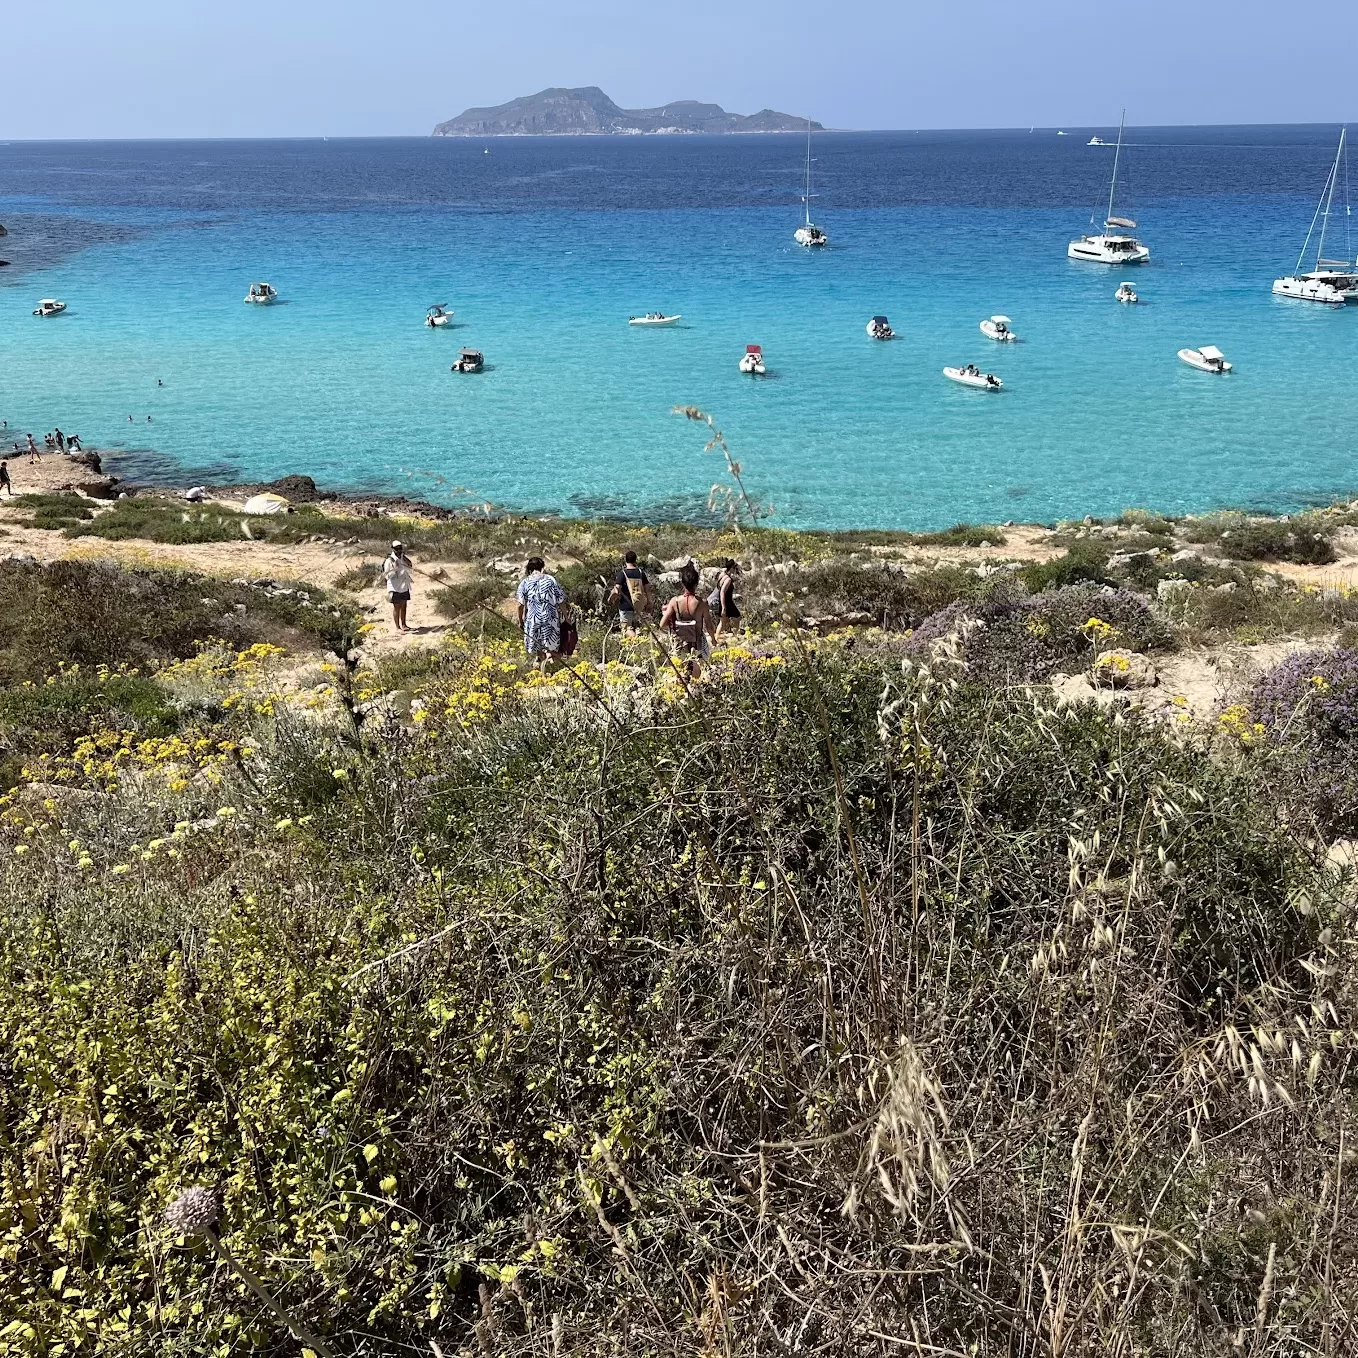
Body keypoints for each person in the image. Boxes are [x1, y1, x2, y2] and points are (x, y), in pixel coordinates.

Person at [660, 561, 717, 679]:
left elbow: (662, 624)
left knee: (681, 667)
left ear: (682, 583)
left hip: (680, 641)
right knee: (696, 666)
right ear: (696, 583)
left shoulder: (674, 601)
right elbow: (709, 626)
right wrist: (713, 639)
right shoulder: (702, 603)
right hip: (697, 641)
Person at [516, 556, 567, 666]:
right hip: (550, 619)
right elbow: (561, 601)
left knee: (538, 648)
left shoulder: (524, 583)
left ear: (529, 569)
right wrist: (567, 618)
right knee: (551, 647)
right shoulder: (551, 580)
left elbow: (520, 605)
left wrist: (520, 621)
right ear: (542, 568)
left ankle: (543, 665)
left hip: (533, 620)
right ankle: (550, 665)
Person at [609, 549, 651, 635]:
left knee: (626, 629)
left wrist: (610, 599)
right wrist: (649, 602)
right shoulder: (641, 573)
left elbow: (617, 590)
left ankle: (635, 640)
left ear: (625, 560)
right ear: (635, 560)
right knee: (637, 627)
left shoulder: (623, 574)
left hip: (626, 606)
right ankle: (639, 641)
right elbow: (647, 589)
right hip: (639, 605)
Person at [382, 540, 414, 633]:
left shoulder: (403, 558)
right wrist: (394, 569)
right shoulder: (389, 561)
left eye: (400, 548)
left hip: (404, 585)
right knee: (397, 607)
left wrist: (406, 562)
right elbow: (387, 576)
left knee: (404, 605)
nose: (399, 550)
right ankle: (398, 627)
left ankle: (404, 625)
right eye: (397, 549)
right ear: (393, 549)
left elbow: (410, 566)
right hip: (394, 587)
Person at [711, 558, 742, 636]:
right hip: (727, 602)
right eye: (735, 568)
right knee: (737, 617)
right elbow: (722, 592)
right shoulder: (728, 580)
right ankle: (735, 634)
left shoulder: (722, 575)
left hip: (723, 602)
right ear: (732, 568)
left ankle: (716, 638)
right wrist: (724, 607)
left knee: (723, 621)